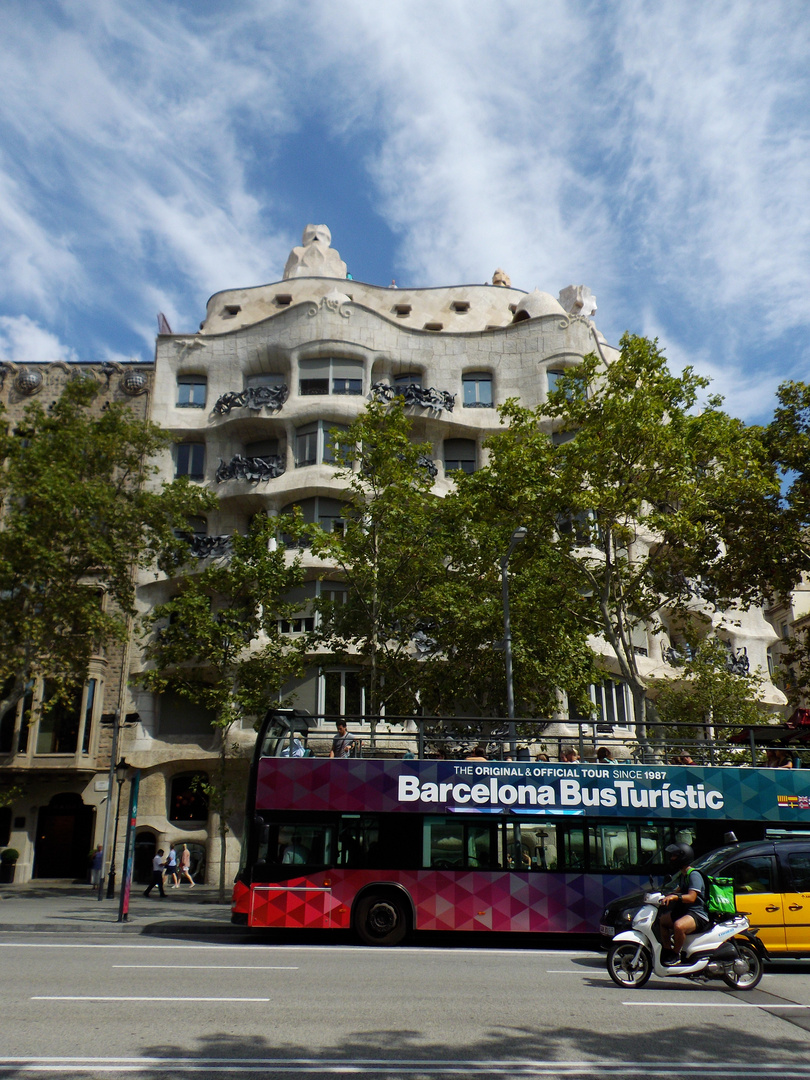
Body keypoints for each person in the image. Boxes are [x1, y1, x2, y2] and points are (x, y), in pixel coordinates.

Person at [658, 842, 710, 965]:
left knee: (679, 926)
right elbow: (676, 891)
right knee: (663, 921)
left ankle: (676, 955)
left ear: (683, 857)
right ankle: (667, 951)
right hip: (686, 912)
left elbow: (692, 897)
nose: (672, 859)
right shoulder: (683, 876)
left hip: (698, 914)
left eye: (674, 856)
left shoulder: (694, 875)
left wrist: (675, 897)